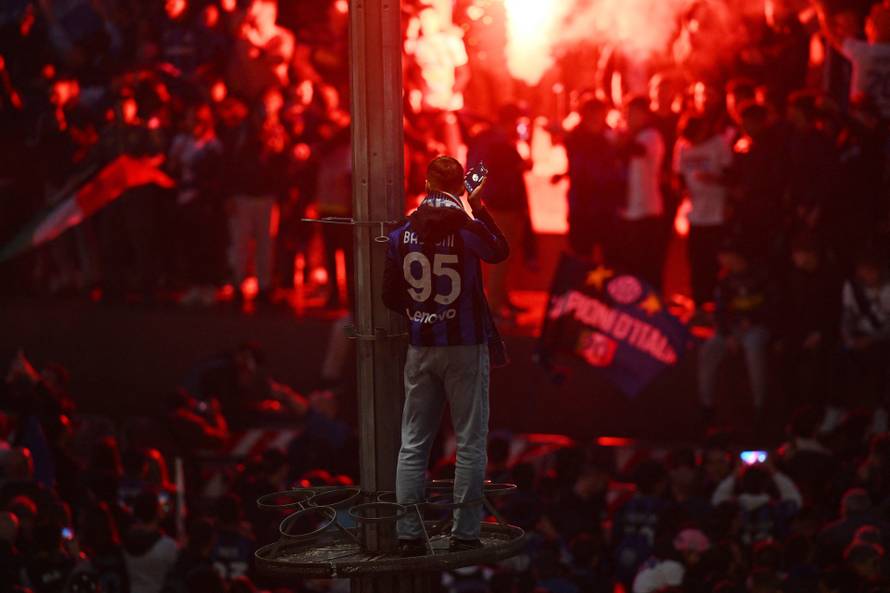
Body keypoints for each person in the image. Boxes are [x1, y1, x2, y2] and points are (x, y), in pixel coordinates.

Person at [382, 155, 508, 556]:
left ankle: (407, 535)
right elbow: (499, 251)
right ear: (459, 188)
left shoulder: (401, 234)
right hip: (465, 347)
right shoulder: (467, 230)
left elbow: (388, 294)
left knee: (414, 441)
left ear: (426, 183)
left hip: (421, 346)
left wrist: (423, 313)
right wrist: (479, 206)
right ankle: (464, 533)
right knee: (469, 441)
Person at [697, 239, 772, 420]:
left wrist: (753, 320)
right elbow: (720, 311)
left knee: (753, 347)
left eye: (723, 256)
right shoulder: (724, 281)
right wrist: (728, 334)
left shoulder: (761, 276)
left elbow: (773, 305)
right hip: (732, 330)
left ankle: (759, 406)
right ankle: (707, 406)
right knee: (709, 349)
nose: (721, 260)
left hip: (758, 328)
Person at [673, 113, 732, 308]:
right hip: (695, 214)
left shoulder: (718, 144)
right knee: (696, 261)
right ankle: (699, 305)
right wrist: (682, 190)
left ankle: (718, 305)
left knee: (715, 262)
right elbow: (678, 175)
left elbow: (732, 176)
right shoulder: (682, 145)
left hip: (716, 214)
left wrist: (714, 180)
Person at [558, 98, 625, 261]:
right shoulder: (576, 138)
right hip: (583, 208)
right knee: (581, 258)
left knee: (611, 259)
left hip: (606, 208)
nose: (596, 119)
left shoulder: (611, 137)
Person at [616, 96, 666, 290]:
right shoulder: (631, 135)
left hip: (647, 211)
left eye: (634, 113)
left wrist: (621, 138)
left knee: (648, 266)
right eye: (627, 113)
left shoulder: (651, 136)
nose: (629, 117)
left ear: (645, 115)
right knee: (631, 265)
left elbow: (636, 151)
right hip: (628, 212)